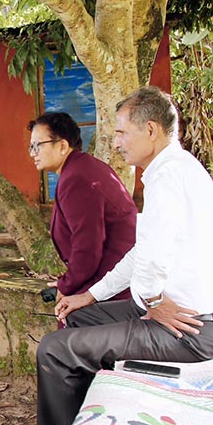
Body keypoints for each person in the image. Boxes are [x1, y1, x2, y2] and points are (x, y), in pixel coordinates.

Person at [27, 86, 213, 425]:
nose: (116, 142)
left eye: (123, 133)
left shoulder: (169, 176)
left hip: (190, 328)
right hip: (182, 314)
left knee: (54, 349)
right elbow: (142, 252)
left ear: (152, 130)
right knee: (80, 315)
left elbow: (152, 260)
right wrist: (88, 295)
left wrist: (154, 301)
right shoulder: (170, 170)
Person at [28, 112, 136, 301]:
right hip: (111, 279)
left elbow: (87, 246)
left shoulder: (77, 178)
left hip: (112, 288)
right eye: (31, 146)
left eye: (38, 145)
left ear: (62, 145)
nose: (32, 153)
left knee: (67, 321)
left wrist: (67, 285)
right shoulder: (82, 168)